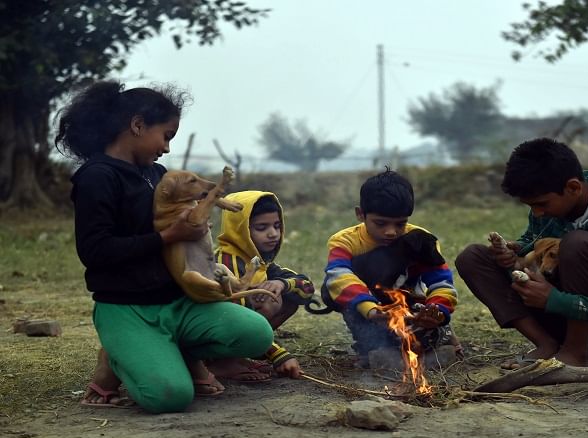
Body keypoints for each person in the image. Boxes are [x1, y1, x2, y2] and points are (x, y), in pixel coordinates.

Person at [56, 81, 273, 413]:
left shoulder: (156, 173)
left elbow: (186, 218)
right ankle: (114, 358)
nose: (167, 149)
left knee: (257, 334)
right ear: (138, 125)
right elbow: (95, 252)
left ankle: (182, 353)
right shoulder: (97, 177)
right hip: (128, 307)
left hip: (179, 303)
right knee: (169, 396)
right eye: (166, 135)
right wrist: (170, 236)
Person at [455, 138, 588, 368]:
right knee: (472, 258)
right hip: (554, 315)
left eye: (541, 204)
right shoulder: (551, 209)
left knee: (577, 243)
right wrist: (516, 251)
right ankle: (546, 344)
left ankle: (575, 352)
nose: (537, 213)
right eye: (530, 206)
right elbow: (534, 240)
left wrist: (556, 300)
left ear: (573, 188)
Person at [322, 168, 460, 368]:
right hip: (370, 306)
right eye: (380, 223)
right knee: (330, 289)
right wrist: (370, 309)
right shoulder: (344, 241)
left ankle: (440, 337)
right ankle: (369, 346)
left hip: (411, 306)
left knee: (419, 339)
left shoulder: (420, 240)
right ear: (360, 214)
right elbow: (339, 277)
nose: (391, 232)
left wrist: (437, 311)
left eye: (400, 224)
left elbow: (442, 282)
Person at [209, 191, 316, 382]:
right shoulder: (225, 263)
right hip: (212, 336)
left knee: (286, 295)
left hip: (239, 328)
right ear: (239, 229)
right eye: (261, 227)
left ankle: (243, 354)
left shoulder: (258, 261)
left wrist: (282, 284)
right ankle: (221, 363)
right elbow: (234, 318)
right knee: (266, 300)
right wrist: (277, 354)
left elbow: (307, 288)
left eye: (277, 226)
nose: (273, 234)